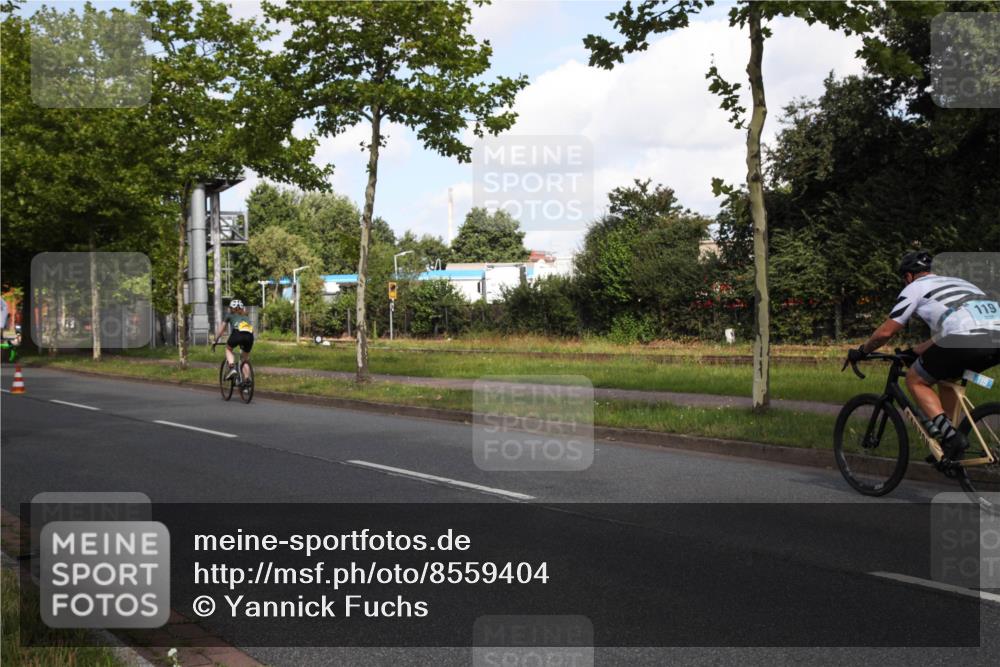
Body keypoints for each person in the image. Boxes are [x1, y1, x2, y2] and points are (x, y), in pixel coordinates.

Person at [847, 251, 1000, 461]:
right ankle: (950, 444)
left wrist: (862, 351)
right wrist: (913, 352)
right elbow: (946, 334)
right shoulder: (960, 283)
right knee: (947, 377)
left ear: (908, 276)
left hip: (966, 339)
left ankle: (953, 439)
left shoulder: (914, 288)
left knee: (915, 379)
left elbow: (886, 332)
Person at [215, 299, 254, 384]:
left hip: (237, 333)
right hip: (250, 336)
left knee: (228, 349)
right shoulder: (246, 315)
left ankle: (232, 368)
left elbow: (221, 330)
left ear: (231, 308)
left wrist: (216, 339)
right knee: (245, 358)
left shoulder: (229, 315)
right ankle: (247, 380)